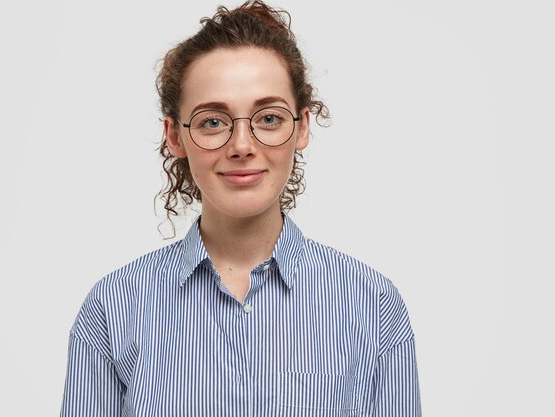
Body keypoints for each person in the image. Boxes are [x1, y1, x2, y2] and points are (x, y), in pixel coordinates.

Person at [60, 1, 421, 416]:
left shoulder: (371, 304)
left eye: (268, 118)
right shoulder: (113, 308)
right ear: (175, 137)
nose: (242, 146)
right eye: (212, 121)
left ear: (301, 127)